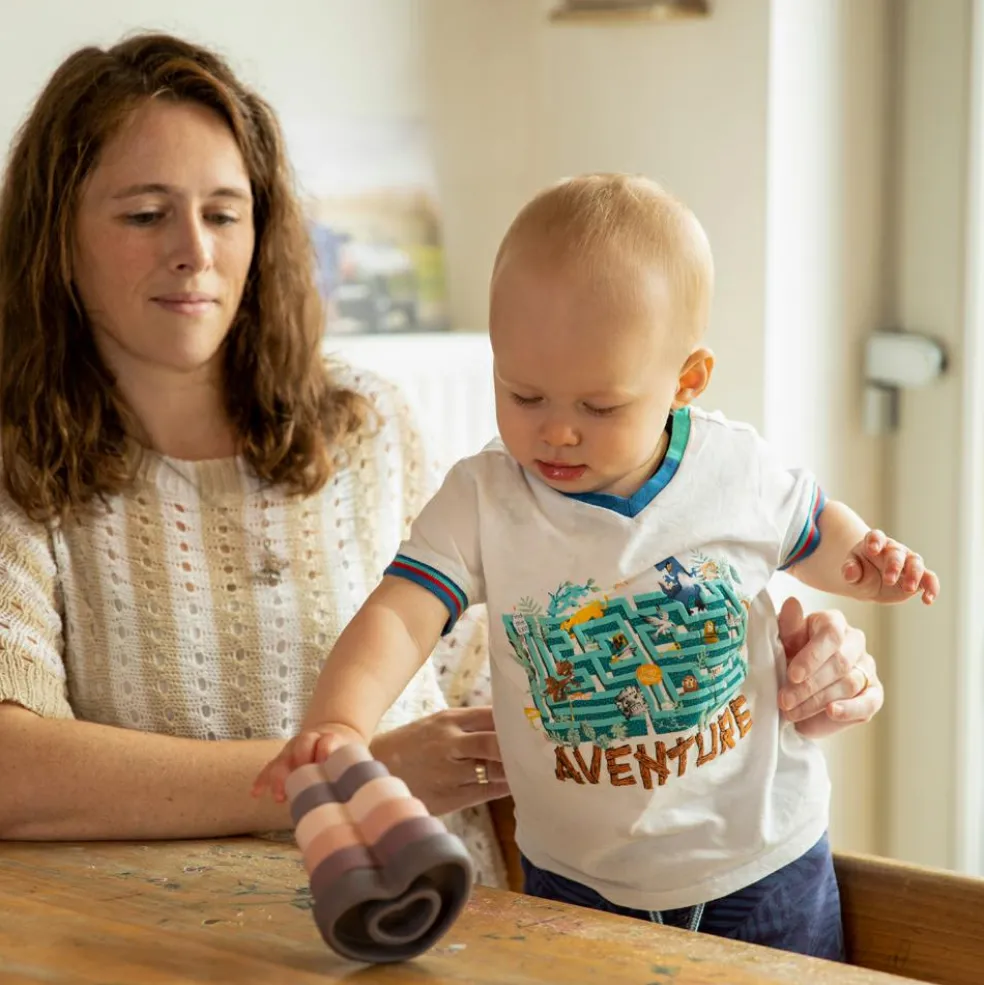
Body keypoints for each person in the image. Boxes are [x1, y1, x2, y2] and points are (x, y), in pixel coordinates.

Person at [0, 33, 880, 882]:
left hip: (461, 914)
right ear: (55, 238)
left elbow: (517, 667)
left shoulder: (366, 424)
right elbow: (13, 768)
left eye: (225, 213)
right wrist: (346, 777)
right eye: (146, 214)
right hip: (170, 940)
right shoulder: (16, 466)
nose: (195, 249)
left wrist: (764, 667)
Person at [256, 174, 933, 959]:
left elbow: (819, 531)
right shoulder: (484, 497)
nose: (557, 433)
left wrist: (868, 561)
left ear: (686, 379)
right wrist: (341, 721)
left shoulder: (735, 467)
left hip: (764, 868)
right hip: (575, 884)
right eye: (524, 393)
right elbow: (399, 612)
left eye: (598, 407)